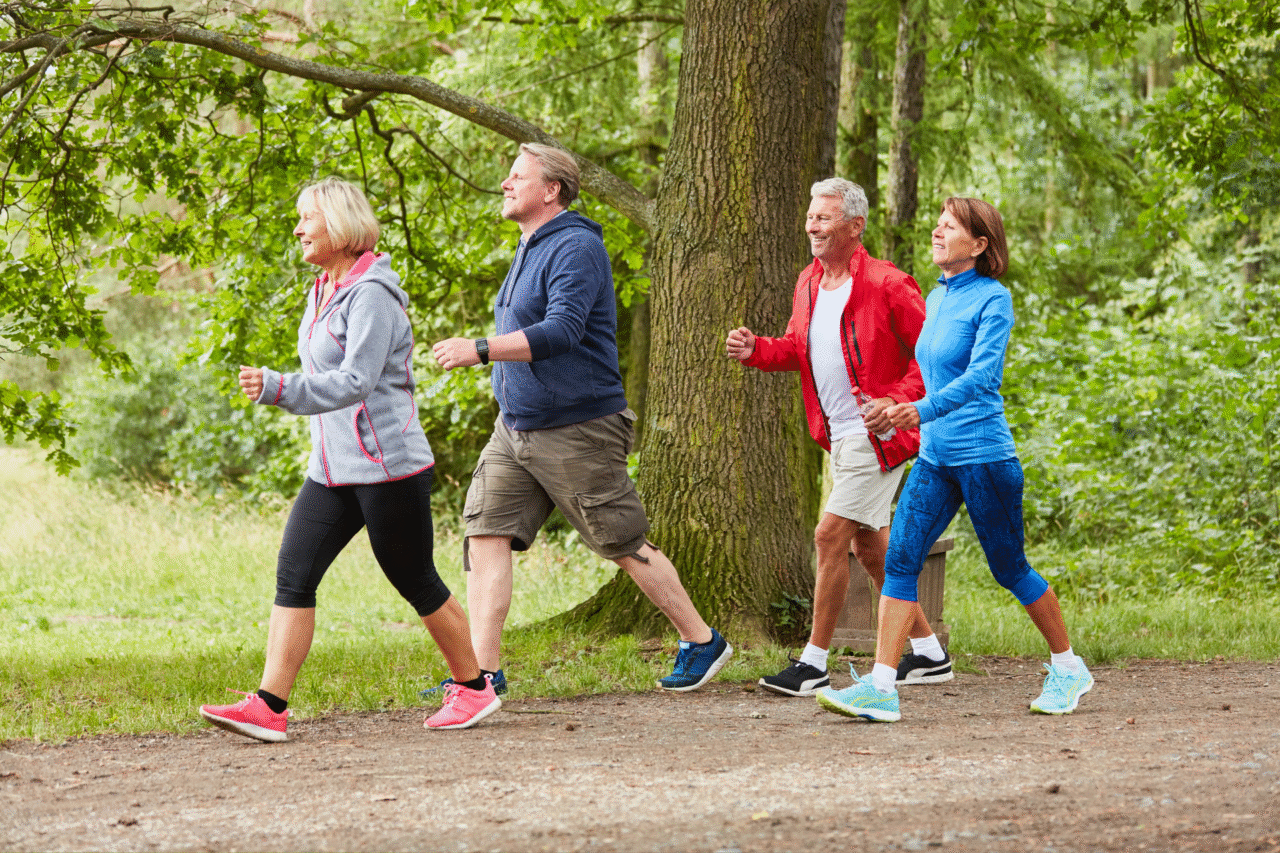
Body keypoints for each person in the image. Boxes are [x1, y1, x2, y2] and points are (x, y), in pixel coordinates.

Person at [199, 177, 501, 741]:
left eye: (307, 219)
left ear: (338, 225)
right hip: (332, 468)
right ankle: (269, 706)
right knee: (294, 574)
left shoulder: (372, 296)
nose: (298, 229)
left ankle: (474, 688)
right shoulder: (324, 289)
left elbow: (356, 380)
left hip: (388, 466)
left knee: (415, 579)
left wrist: (280, 387)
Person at [432, 143, 732, 694]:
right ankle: (481, 676)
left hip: (577, 427)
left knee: (621, 540)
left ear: (552, 190)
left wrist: (482, 348)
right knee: (485, 533)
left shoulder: (576, 246)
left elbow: (563, 330)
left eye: (517, 176)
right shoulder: (529, 246)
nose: (505, 183)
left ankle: (701, 639)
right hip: (515, 426)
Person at [817, 197, 1094, 722]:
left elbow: (982, 377)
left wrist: (919, 411)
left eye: (950, 226)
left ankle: (1068, 667)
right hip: (935, 458)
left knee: (1009, 568)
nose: (938, 232)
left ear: (980, 244)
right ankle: (881, 687)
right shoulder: (938, 296)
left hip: (984, 457)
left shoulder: (994, 300)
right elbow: (927, 373)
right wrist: (893, 406)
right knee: (900, 561)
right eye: (938, 224)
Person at [726, 177, 950, 697]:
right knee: (870, 548)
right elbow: (797, 348)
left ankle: (814, 663)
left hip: (880, 436)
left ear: (855, 226)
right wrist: (757, 350)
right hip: (839, 437)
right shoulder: (808, 281)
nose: (812, 225)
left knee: (828, 536)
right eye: (810, 217)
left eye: (824, 218)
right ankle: (929, 653)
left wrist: (896, 402)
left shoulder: (889, 283)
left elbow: (934, 357)